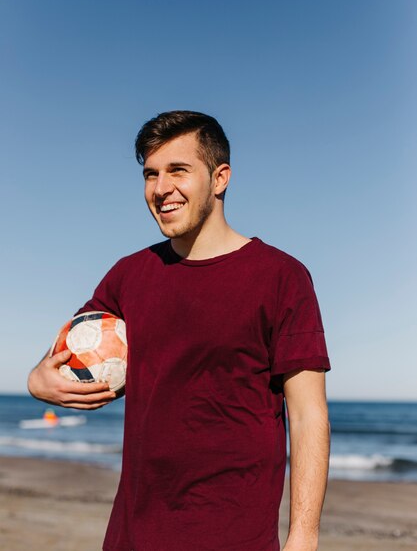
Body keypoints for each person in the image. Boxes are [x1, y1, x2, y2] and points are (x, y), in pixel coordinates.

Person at [28, 110, 331, 551]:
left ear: (220, 177)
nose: (161, 188)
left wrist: (303, 538)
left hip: (234, 539)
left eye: (178, 170)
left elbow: (308, 417)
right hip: (131, 537)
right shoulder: (129, 275)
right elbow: (70, 350)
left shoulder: (282, 277)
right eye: (151, 174)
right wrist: (37, 380)